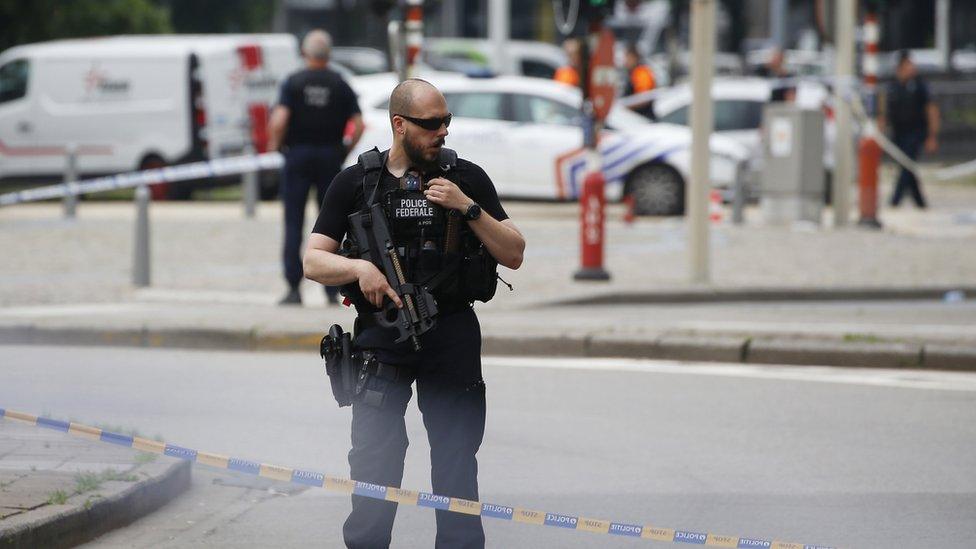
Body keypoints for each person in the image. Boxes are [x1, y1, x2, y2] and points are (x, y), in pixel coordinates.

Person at [303, 79, 525, 548]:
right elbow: (313, 260)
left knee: (456, 462)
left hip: (451, 337)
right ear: (399, 125)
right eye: (430, 124)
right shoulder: (357, 183)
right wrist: (359, 266)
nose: (442, 131)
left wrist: (468, 209)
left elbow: (514, 252)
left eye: (446, 121)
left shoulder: (465, 178)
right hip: (383, 340)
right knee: (374, 463)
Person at [268, 29, 364, 306]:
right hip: (330, 156)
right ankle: (332, 289)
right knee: (332, 223)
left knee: (293, 222)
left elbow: (279, 120)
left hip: (297, 156)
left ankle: (293, 287)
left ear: (304, 53)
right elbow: (358, 124)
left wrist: (278, 146)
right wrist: (344, 148)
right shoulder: (339, 83)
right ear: (329, 55)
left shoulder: (293, 83)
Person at [883, 50, 940, 209]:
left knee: (907, 164)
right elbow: (885, 112)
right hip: (898, 133)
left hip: (915, 132)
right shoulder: (893, 86)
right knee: (907, 166)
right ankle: (920, 202)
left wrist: (932, 135)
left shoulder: (920, 86)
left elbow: (931, 109)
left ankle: (895, 200)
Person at [621, 43, 656, 118]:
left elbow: (644, 98)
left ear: (634, 58)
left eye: (627, 58)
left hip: (643, 119)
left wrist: (624, 109)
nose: (625, 62)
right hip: (635, 118)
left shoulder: (641, 73)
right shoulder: (633, 72)